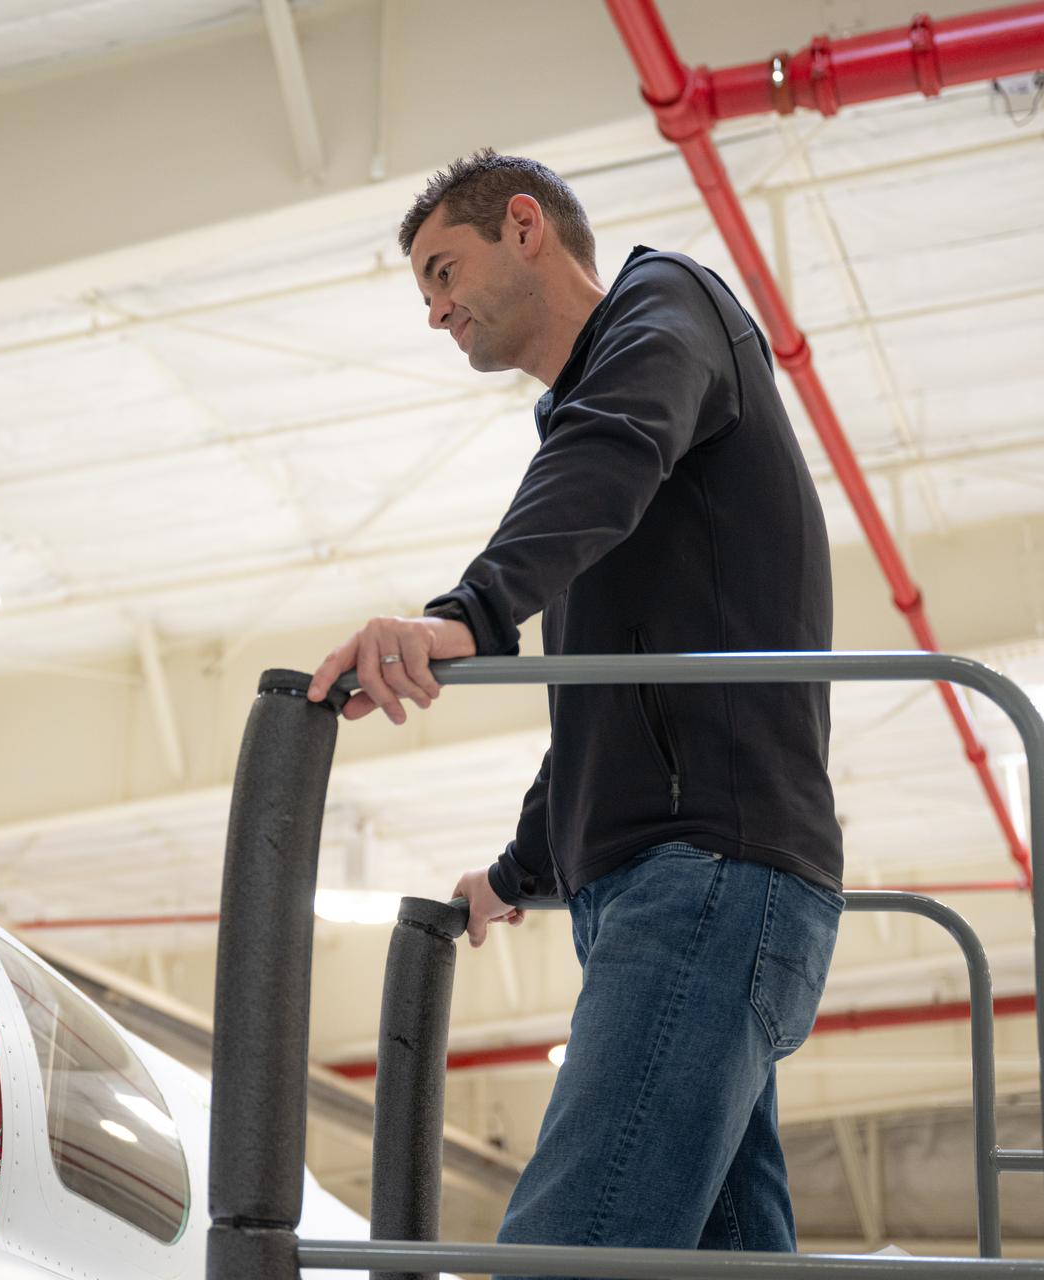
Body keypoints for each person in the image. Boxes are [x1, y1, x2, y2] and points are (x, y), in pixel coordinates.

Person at [305, 149, 847, 1269]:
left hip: (705, 882)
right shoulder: (600, 438)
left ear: (524, 226)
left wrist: (471, 611)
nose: (436, 312)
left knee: (564, 1251)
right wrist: (515, 871)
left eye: (444, 271)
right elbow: (605, 701)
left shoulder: (667, 314)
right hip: (675, 893)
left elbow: (610, 450)